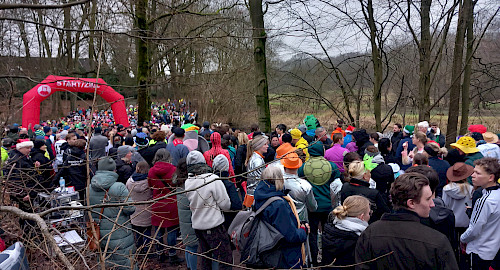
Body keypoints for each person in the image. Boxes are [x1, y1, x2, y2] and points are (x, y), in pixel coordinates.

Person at [355, 172, 458, 269]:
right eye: (428, 199)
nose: (432, 204)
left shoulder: (369, 234)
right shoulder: (437, 241)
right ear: (411, 203)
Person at [253, 166, 309, 268]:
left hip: (267, 248)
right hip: (283, 255)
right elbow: (290, 235)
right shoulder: (278, 204)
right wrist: (303, 231)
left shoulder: (259, 196)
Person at [185, 151, 232, 270]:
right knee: (224, 258)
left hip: (198, 227)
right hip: (214, 225)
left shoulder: (188, 182)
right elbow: (225, 204)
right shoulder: (212, 179)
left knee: (206, 258)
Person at [88, 157, 136, 269]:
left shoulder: (89, 188)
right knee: (125, 263)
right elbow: (130, 209)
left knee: (105, 261)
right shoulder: (118, 187)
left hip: (99, 234)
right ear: (114, 170)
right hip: (119, 233)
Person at [298, 142, 341, 266]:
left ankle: (314, 260)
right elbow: (337, 186)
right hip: (328, 205)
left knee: (312, 233)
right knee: (328, 233)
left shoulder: (304, 167)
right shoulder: (332, 166)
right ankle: (327, 259)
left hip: (312, 207)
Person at [460, 158, 500, 270]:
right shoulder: (496, 194)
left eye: (477, 173)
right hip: (493, 250)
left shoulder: (484, 200)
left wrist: (462, 239)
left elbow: (474, 229)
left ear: (491, 177)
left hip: (480, 251)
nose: (472, 175)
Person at [148, 149, 183, 264]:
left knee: (158, 229)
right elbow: (177, 183)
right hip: (171, 203)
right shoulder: (173, 169)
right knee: (172, 230)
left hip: (157, 202)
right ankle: (172, 255)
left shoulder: (151, 171)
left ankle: (160, 253)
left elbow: (150, 185)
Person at [322, 195, 371, 268]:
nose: (370, 216)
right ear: (361, 217)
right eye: (369, 213)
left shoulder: (329, 231)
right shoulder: (360, 240)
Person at [126, 161, 153, 256]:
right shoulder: (149, 182)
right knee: (147, 232)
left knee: (137, 232)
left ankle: (139, 248)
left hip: (135, 211)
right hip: (147, 211)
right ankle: (147, 250)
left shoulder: (129, 182)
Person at [282, 152, 317, 222]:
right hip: (300, 220)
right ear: (298, 166)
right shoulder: (305, 185)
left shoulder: (277, 182)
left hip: (282, 218)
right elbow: (313, 207)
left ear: (284, 166)